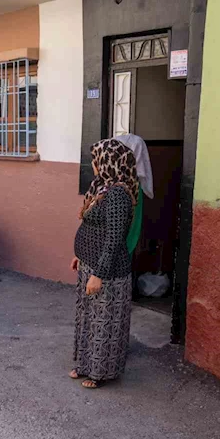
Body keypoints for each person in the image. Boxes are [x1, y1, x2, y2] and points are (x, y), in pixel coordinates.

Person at [69, 139, 139, 389]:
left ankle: (100, 372)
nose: (93, 164)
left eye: (97, 158)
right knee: (88, 317)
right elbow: (90, 224)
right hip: (89, 263)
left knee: (104, 322)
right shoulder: (101, 188)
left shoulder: (119, 194)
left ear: (109, 162)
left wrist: (98, 274)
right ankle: (85, 364)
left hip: (107, 271)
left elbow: (114, 239)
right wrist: (80, 254)